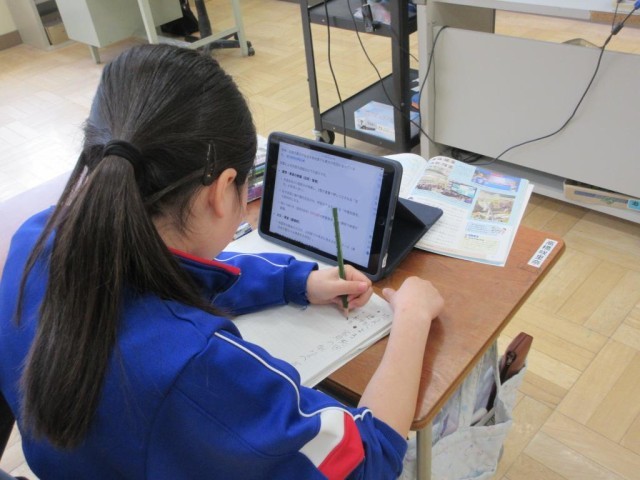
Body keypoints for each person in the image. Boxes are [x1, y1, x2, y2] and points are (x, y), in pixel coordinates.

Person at [0, 44, 444, 479]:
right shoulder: (197, 368)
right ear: (222, 188)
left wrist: (296, 281)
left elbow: (168, 272)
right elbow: (366, 461)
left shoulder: (34, 239)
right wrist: (412, 318)